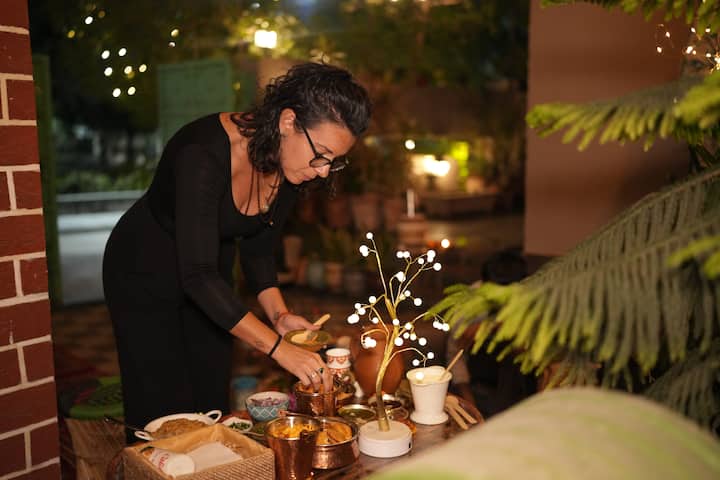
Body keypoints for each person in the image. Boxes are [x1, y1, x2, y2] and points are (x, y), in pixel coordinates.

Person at [102, 62, 372, 442]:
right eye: (322, 154)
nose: (324, 171)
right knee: (162, 413)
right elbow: (197, 276)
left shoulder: (290, 161)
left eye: (334, 161)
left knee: (211, 398)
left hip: (210, 272)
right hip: (145, 268)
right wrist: (279, 350)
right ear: (288, 121)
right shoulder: (202, 154)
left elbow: (259, 250)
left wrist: (279, 317)